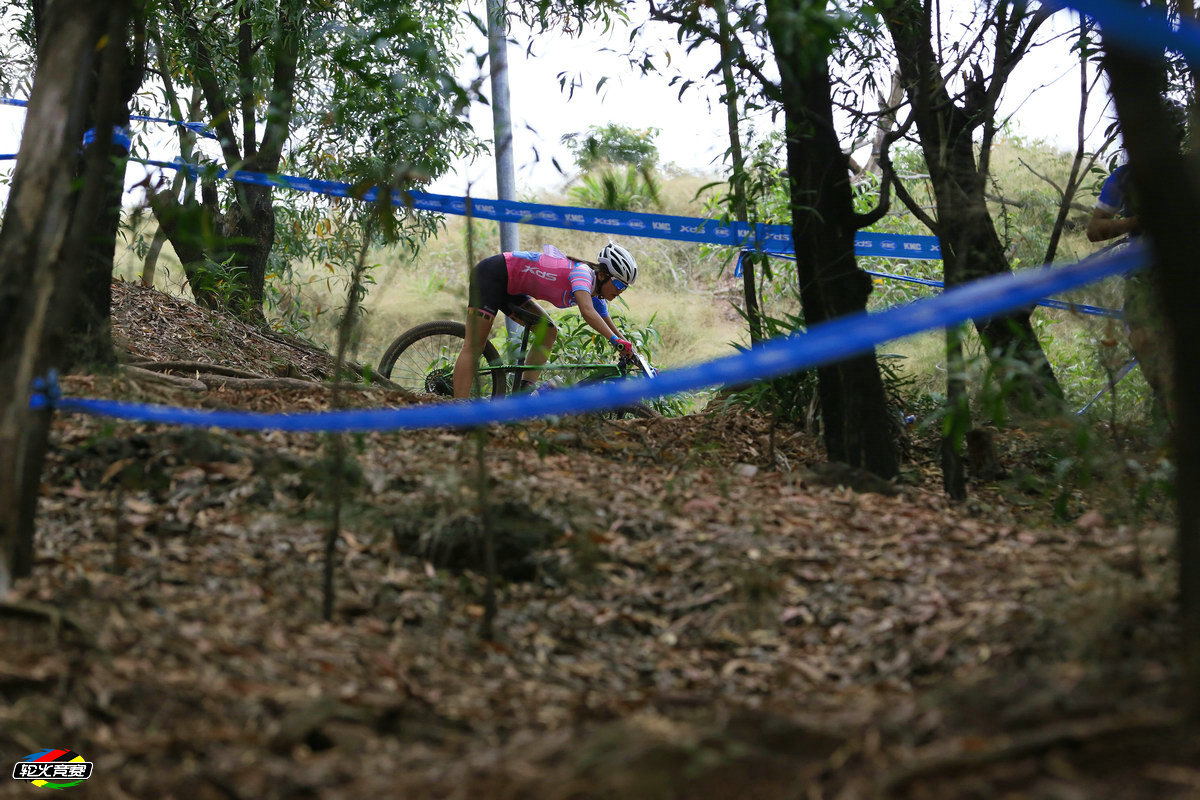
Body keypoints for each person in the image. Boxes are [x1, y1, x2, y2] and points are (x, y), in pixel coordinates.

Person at [452, 242, 639, 398]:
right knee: (475, 345)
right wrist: (616, 342)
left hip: (511, 288)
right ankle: (458, 410)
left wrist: (628, 348)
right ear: (602, 275)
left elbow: (607, 323)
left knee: (549, 330)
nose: (620, 290)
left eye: (625, 287)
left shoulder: (595, 293)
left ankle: (524, 394)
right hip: (492, 274)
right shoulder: (582, 274)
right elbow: (588, 313)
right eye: (618, 284)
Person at [1086, 158, 1172, 421]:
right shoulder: (1125, 177)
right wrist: (1136, 221)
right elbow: (1094, 230)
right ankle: (1165, 411)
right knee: (1143, 340)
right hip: (1143, 277)